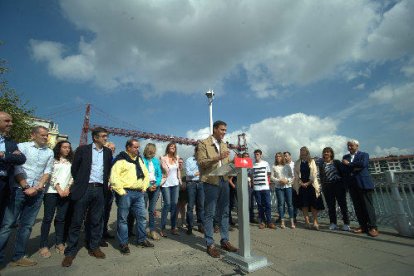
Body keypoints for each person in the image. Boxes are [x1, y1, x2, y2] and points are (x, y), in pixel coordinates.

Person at [0, 125, 53, 267]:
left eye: (47, 135)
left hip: (37, 192)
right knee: (7, 224)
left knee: (27, 226)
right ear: (33, 135)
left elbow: (47, 171)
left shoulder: (49, 152)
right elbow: (17, 167)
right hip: (19, 189)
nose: (45, 137)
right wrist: (26, 186)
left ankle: (18, 256)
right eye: (42, 134)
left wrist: (38, 187)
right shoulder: (22, 147)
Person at [62, 127, 112, 267]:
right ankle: (70, 252)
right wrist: (81, 182)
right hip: (84, 189)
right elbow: (75, 169)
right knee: (77, 221)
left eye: (106, 136)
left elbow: (107, 170)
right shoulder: (82, 150)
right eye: (103, 136)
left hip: (100, 189)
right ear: (95, 138)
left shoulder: (107, 152)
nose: (105, 138)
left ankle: (94, 247)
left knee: (96, 220)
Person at [196, 120, 237, 258]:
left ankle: (225, 240)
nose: (224, 132)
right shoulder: (203, 143)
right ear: (214, 129)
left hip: (224, 180)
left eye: (225, 130)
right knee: (210, 213)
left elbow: (225, 163)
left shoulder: (225, 145)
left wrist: (234, 161)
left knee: (225, 212)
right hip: (210, 181)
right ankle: (210, 243)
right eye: (222, 130)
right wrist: (217, 157)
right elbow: (201, 163)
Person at [110, 139, 153, 255]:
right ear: (128, 147)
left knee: (142, 218)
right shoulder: (121, 160)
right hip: (126, 193)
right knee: (123, 219)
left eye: (138, 147)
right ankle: (123, 243)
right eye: (135, 147)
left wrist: (144, 188)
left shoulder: (139, 160)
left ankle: (142, 239)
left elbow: (146, 175)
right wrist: (121, 191)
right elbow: (114, 177)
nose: (137, 149)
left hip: (139, 193)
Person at [39, 140, 74, 258]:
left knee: (61, 219)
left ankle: (59, 242)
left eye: (68, 147)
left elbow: (73, 176)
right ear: (59, 148)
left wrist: (68, 188)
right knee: (47, 218)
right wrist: (58, 188)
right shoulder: (53, 160)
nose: (67, 149)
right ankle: (43, 244)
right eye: (64, 147)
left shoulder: (71, 162)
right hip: (51, 192)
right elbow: (50, 175)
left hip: (65, 193)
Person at [342, 140, 378, 237]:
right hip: (352, 185)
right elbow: (344, 169)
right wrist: (353, 166)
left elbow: (363, 164)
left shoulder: (364, 155)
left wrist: (349, 164)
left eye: (351, 145)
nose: (349, 147)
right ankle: (362, 226)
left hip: (364, 183)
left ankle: (373, 227)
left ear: (357, 146)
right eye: (348, 146)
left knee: (368, 206)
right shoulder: (345, 157)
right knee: (357, 207)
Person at [0, 112, 26, 224]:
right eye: (7, 121)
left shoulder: (10, 143)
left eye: (11, 121)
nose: (11, 124)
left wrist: (3, 155)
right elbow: (15, 158)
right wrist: (11, 156)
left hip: (4, 184)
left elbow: (21, 159)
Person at [319, 147, 350, 231]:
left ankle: (346, 223)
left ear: (331, 153)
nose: (326, 153)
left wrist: (345, 185)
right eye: (324, 152)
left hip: (338, 186)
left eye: (328, 152)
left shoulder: (336, 162)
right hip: (327, 187)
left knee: (343, 205)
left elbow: (343, 173)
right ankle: (333, 223)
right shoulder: (322, 164)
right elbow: (322, 176)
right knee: (330, 206)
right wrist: (322, 185)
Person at [293, 146, 324, 230]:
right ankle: (307, 222)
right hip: (301, 185)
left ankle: (315, 222)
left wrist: (308, 182)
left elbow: (314, 172)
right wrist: (300, 182)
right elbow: (295, 173)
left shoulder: (312, 161)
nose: (302, 152)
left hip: (311, 185)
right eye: (300, 151)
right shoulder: (297, 162)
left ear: (307, 152)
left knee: (313, 204)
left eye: (303, 150)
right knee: (304, 204)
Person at [159, 142, 182, 237]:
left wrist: (180, 180)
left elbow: (179, 170)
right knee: (167, 204)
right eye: (171, 146)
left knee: (174, 205)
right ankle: (162, 228)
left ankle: (173, 227)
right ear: (168, 148)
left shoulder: (177, 158)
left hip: (175, 184)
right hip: (166, 184)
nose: (173, 148)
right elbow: (161, 171)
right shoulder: (162, 158)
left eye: (174, 147)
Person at [142, 143, 162, 240]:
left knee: (152, 210)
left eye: (153, 150)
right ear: (147, 150)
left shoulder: (156, 161)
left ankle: (152, 230)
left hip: (155, 187)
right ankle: (142, 230)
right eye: (151, 150)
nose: (152, 152)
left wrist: (156, 184)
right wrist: (148, 186)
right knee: (143, 209)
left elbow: (159, 175)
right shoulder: (142, 160)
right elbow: (141, 176)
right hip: (145, 188)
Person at [252, 149, 275, 229]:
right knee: (260, 205)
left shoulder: (265, 163)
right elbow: (251, 175)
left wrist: (268, 183)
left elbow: (269, 173)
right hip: (257, 188)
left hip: (265, 187)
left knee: (268, 204)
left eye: (257, 154)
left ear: (261, 155)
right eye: (255, 154)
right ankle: (262, 221)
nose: (256, 156)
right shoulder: (252, 164)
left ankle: (269, 221)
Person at [271, 152, 295, 229]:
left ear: (282, 157)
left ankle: (292, 221)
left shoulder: (287, 166)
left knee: (290, 204)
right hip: (279, 187)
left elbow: (292, 176)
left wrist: (287, 180)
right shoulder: (274, 166)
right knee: (281, 204)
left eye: (279, 156)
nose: (278, 158)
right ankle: (282, 221)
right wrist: (279, 180)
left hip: (288, 186)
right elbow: (272, 177)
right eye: (276, 156)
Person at [185, 146, 205, 235]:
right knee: (190, 206)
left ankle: (201, 225)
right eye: (199, 151)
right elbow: (188, 173)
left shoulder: (203, 161)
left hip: (201, 183)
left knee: (201, 205)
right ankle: (190, 226)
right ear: (195, 151)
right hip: (191, 184)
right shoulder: (189, 160)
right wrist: (197, 173)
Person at [102, 141, 116, 240]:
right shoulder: (101, 159)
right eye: (110, 148)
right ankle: (96, 234)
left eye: (113, 149)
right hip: (100, 188)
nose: (112, 150)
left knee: (107, 211)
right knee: (98, 212)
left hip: (110, 189)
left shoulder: (114, 160)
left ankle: (104, 231)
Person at [284, 151, 297, 223]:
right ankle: (291, 216)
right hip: (286, 186)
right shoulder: (284, 165)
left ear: (290, 156)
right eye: (284, 156)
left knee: (293, 202)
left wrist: (293, 181)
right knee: (287, 201)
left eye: (286, 156)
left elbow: (296, 174)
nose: (285, 157)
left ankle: (294, 216)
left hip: (293, 185)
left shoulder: (294, 164)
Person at [176, 158, 187, 228]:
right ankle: (176, 222)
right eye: (179, 162)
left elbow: (187, 179)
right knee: (176, 207)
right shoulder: (174, 170)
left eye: (181, 162)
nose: (180, 163)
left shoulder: (185, 171)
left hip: (183, 191)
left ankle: (183, 221)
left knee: (183, 207)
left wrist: (184, 185)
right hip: (176, 190)